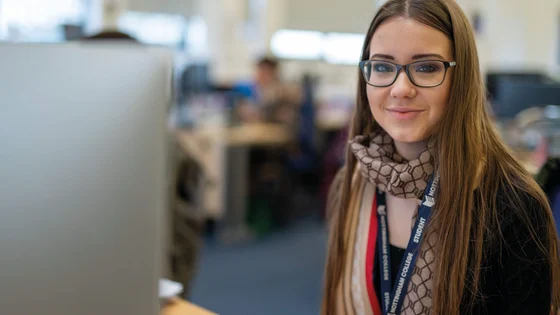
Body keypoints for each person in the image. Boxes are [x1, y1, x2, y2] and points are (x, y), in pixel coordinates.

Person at [322, 1, 560, 315]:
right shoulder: (352, 182)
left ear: (460, 78)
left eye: (426, 67)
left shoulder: (513, 205)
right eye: (382, 66)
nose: (400, 88)